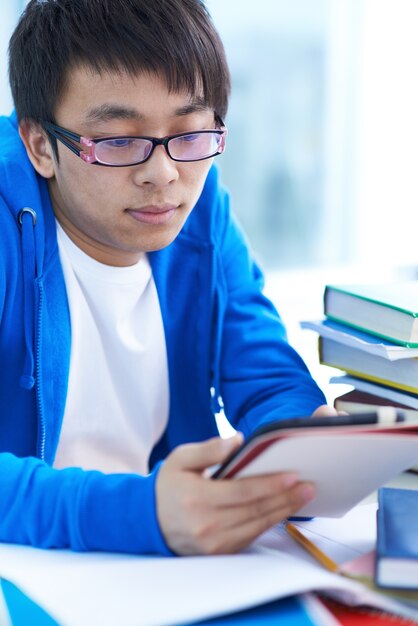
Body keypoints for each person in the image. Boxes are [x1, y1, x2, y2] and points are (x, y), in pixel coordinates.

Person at [0, 0, 333, 557]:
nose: (164, 174)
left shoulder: (200, 213)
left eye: (190, 133)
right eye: (119, 141)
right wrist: (140, 514)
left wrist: (312, 452)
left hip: (169, 578)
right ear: (41, 146)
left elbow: (266, 377)